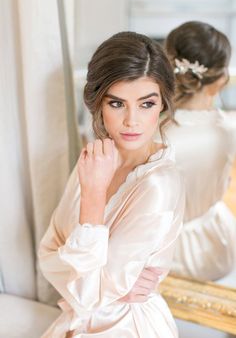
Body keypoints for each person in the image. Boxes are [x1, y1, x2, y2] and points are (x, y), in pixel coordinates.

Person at [38, 31, 185, 338]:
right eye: (117, 103)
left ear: (162, 106)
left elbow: (86, 294)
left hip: (128, 327)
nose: (132, 121)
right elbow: (48, 254)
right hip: (75, 321)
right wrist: (103, 284)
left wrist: (93, 197)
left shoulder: (159, 186)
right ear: (98, 105)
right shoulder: (96, 159)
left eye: (146, 104)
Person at [163, 21, 236, 281]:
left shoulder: (149, 134)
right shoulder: (228, 130)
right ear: (220, 81)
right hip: (217, 244)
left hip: (162, 254)